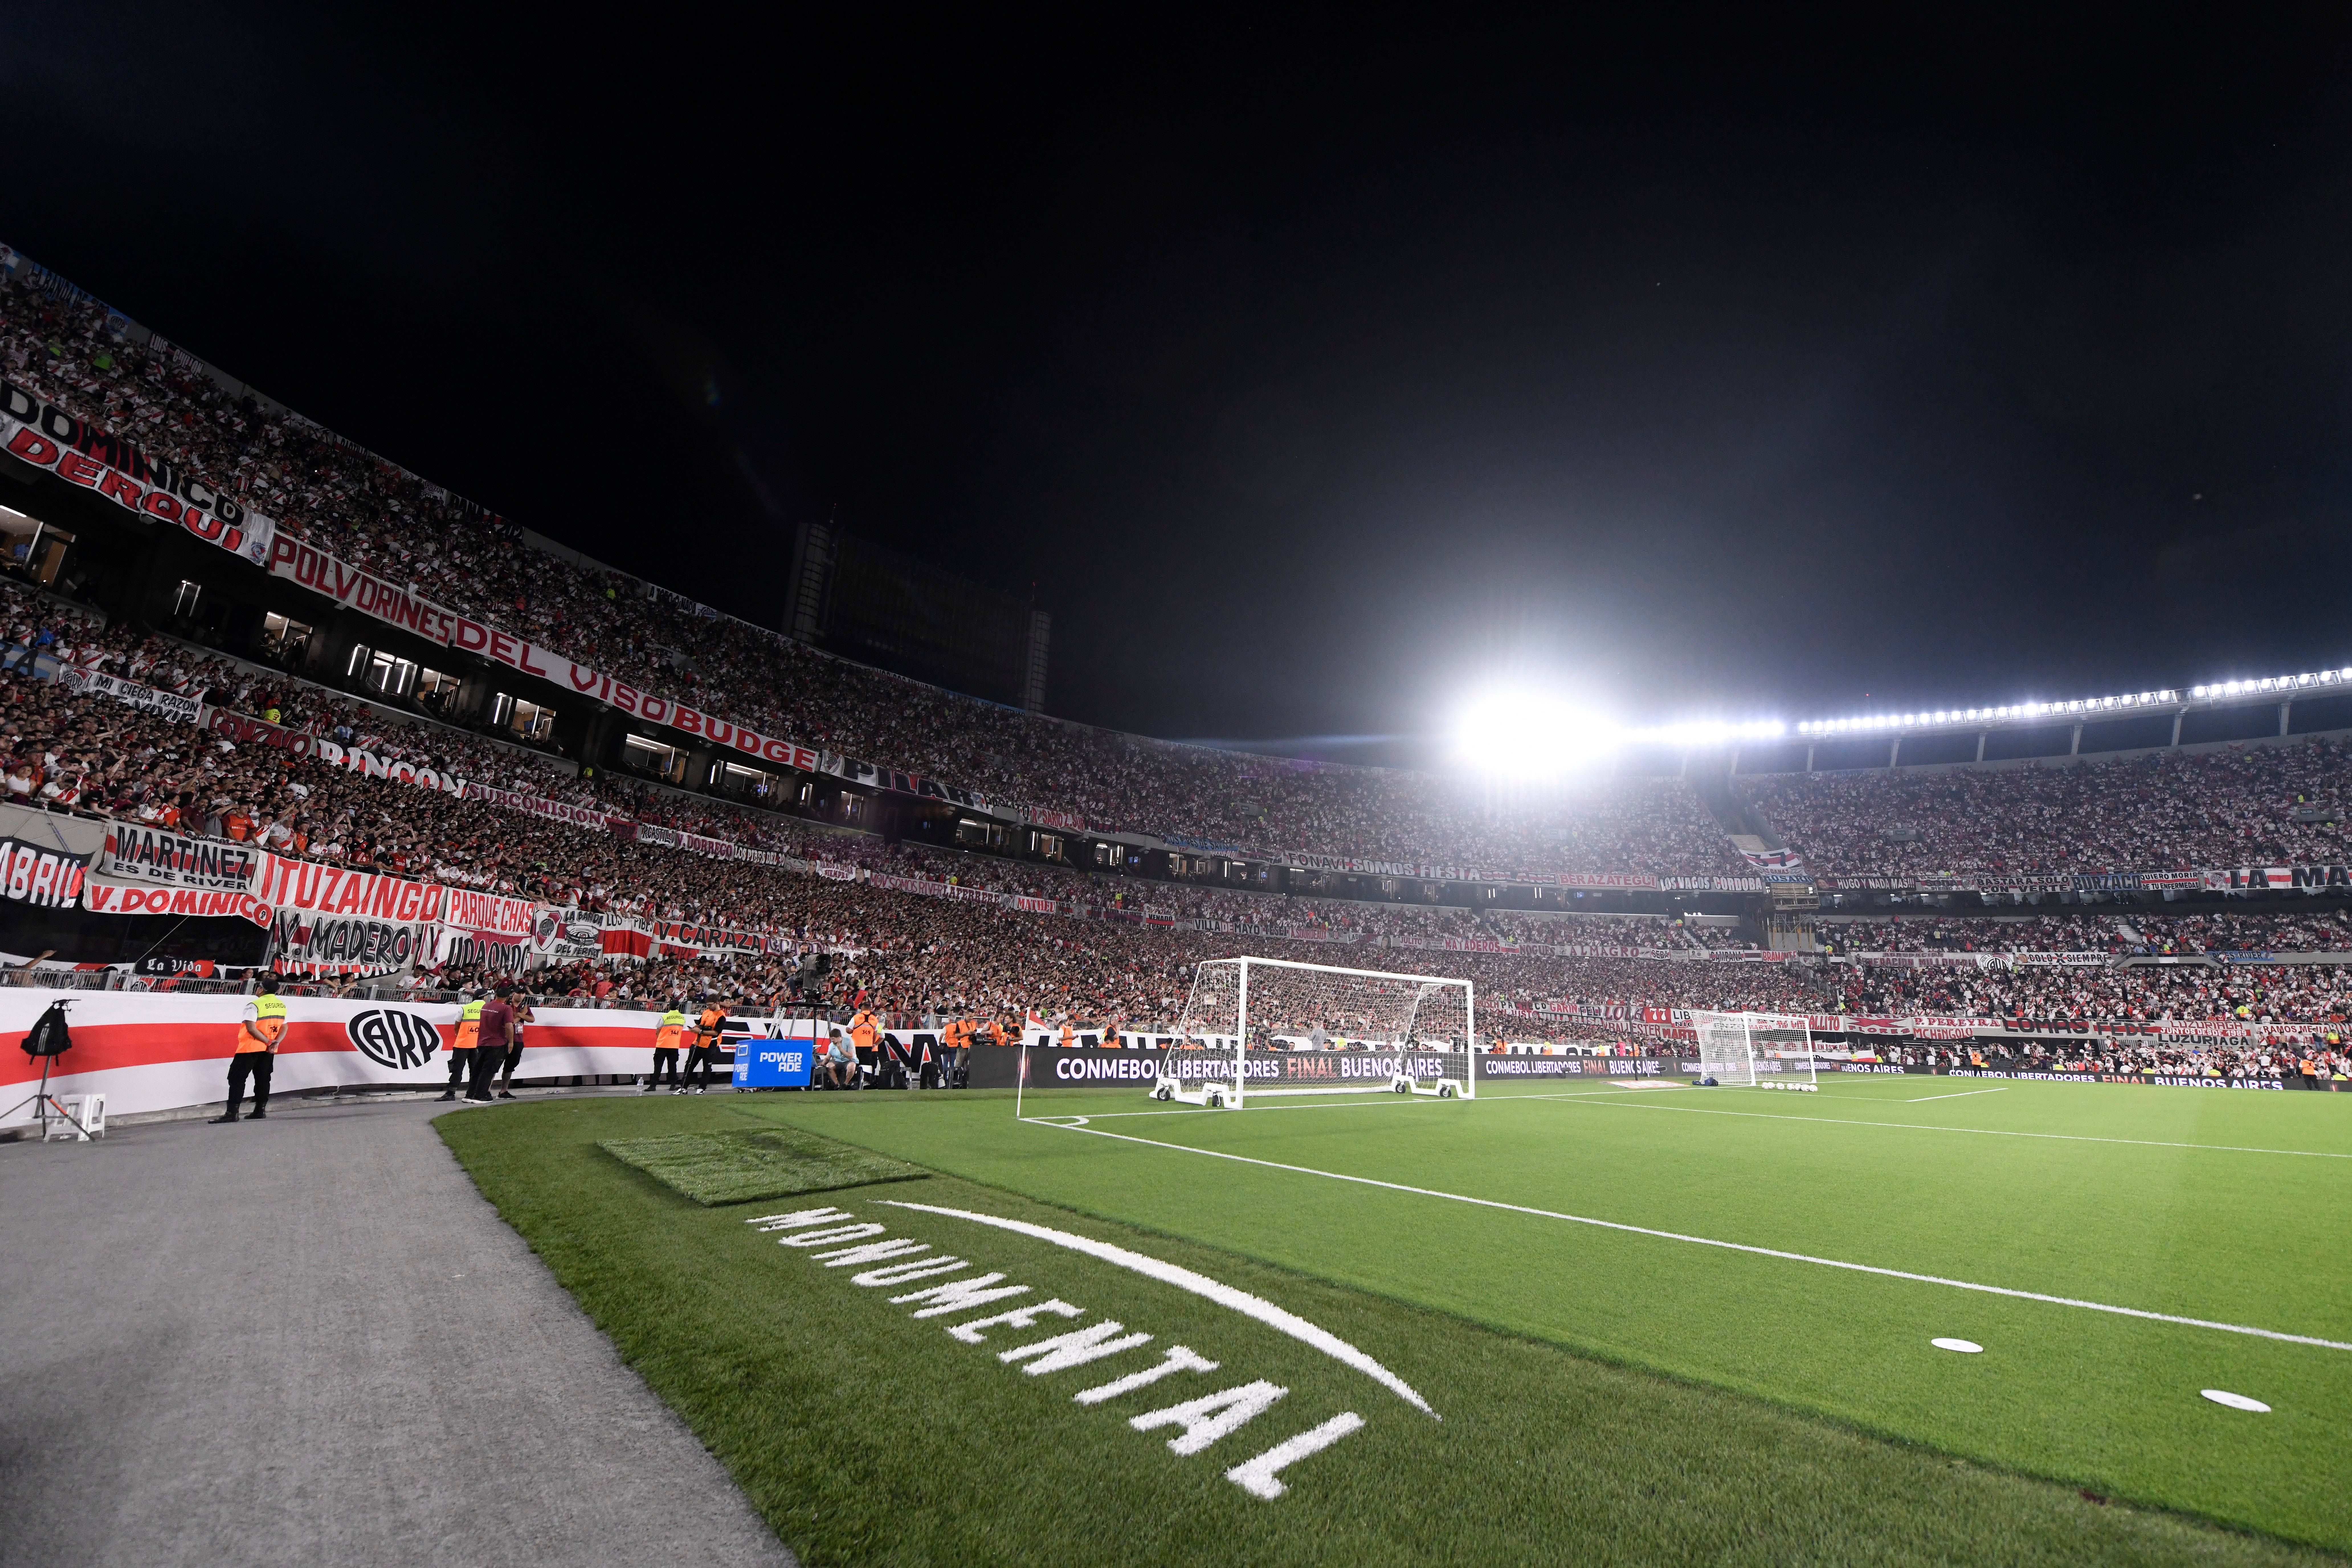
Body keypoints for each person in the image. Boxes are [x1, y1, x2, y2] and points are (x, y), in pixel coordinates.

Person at [212, 979, 287, 1122]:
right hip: (268, 1051)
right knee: (263, 1080)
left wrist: (268, 1042)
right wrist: (275, 1043)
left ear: (261, 989)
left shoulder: (254, 1005)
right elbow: (285, 1027)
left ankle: (232, 1113)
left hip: (250, 1048)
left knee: (237, 1079)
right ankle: (260, 1110)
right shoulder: (281, 1006)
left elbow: (251, 1028)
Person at [438, 992, 484, 1103]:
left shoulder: (465, 1008)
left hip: (463, 1043)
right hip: (478, 1045)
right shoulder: (487, 1009)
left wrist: (460, 1034)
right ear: (485, 997)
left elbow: (457, 1025)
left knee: (457, 1069)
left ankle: (451, 1093)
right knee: (475, 1071)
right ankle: (473, 1094)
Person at [470, 989, 514, 1102]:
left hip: (482, 1042)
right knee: (489, 1070)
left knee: (479, 1069)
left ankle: (472, 1093)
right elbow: (509, 1026)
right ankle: (481, 1095)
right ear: (508, 997)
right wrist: (511, 1042)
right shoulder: (506, 1009)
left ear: (496, 995)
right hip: (497, 1043)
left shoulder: (486, 1006)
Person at [681, 997, 727, 1094]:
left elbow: (716, 1033)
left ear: (717, 1003)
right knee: (689, 1065)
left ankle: (702, 1088)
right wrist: (695, 1028)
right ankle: (684, 1088)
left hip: (710, 1044)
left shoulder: (721, 1016)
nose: (709, 1007)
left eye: (711, 1005)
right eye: (708, 1005)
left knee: (706, 1068)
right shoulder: (707, 1012)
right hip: (698, 1043)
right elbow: (700, 1024)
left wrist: (701, 1031)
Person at [497, 992, 536, 1099]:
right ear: (513, 994)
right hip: (503, 1040)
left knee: (510, 1067)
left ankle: (503, 1091)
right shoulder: (506, 1006)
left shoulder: (525, 1008)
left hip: (518, 1040)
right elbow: (511, 1022)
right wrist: (522, 1015)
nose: (521, 996)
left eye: (523, 994)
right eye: (519, 993)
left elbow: (532, 1019)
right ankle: (486, 1091)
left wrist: (520, 1014)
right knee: (494, 1066)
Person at [646, 1003, 685, 1092]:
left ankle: (653, 1086)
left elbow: (658, 1031)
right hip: (674, 1045)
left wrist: (660, 1039)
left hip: (662, 1045)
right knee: (672, 1066)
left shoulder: (665, 1017)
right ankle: (673, 1085)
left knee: (658, 1066)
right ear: (678, 1007)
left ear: (669, 1007)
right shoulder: (682, 1018)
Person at [822, 1024, 859, 1089]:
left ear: (839, 1038)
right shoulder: (832, 1045)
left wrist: (841, 1049)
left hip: (849, 1061)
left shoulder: (849, 1041)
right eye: (831, 1039)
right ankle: (837, 1084)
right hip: (838, 1061)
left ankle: (845, 1084)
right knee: (829, 1066)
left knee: (852, 1066)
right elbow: (828, 1057)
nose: (832, 1041)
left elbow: (850, 1056)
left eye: (833, 1039)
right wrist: (823, 1063)